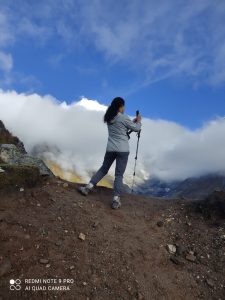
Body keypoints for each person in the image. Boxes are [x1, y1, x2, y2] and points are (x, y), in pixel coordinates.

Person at [78, 97, 142, 209]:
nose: (124, 108)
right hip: (123, 150)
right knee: (119, 175)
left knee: (104, 169)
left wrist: (132, 122)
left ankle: (88, 187)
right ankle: (116, 199)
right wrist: (139, 122)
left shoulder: (109, 118)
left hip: (110, 148)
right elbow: (136, 129)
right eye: (123, 106)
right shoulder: (123, 117)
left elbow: (121, 127)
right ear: (120, 106)